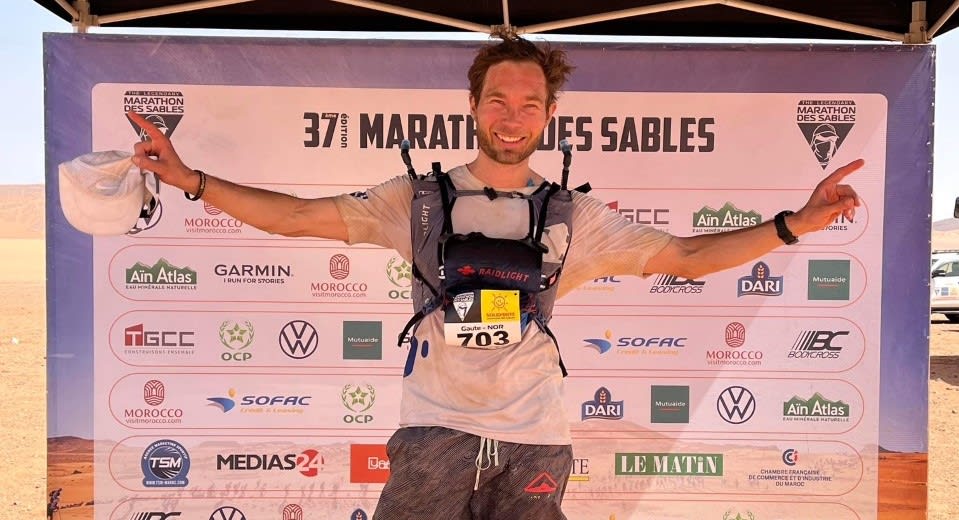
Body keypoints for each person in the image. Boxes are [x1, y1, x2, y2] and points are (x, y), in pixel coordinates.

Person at [128, 31, 861, 520]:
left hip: (535, 439)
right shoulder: (416, 201)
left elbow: (687, 258)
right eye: (499, 102)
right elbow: (294, 217)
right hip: (433, 437)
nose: (512, 118)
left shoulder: (573, 215)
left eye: (529, 105)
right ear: (473, 106)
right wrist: (193, 180)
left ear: (549, 115)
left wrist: (794, 224)